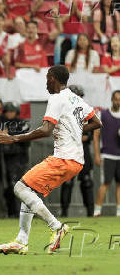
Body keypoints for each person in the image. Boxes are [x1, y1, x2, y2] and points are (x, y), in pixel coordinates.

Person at [0, 65, 102, 255]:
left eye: (47, 78)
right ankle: (21, 241)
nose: (45, 82)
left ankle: (56, 226)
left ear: (53, 78)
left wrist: (14, 138)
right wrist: (75, 129)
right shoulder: (76, 99)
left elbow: (45, 130)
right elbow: (96, 122)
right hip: (75, 160)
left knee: (20, 188)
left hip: (64, 158)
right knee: (29, 192)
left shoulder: (57, 98)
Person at [60, 85, 95, 217]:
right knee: (67, 181)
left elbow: (88, 135)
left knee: (86, 180)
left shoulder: (86, 112)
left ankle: (90, 213)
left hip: (83, 150)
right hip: (68, 151)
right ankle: (64, 212)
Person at [93, 90, 120, 217]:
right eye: (116, 99)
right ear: (111, 99)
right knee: (106, 183)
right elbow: (96, 135)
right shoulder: (103, 114)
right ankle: (97, 211)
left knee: (119, 184)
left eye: (119, 99)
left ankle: (119, 212)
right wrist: (97, 154)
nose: (118, 102)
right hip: (107, 154)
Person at [2, 102, 30, 218]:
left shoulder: (22, 124)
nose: (9, 114)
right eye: (7, 112)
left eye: (11, 111)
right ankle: (12, 212)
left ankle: (24, 212)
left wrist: (9, 136)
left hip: (20, 159)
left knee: (21, 186)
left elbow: (25, 139)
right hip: (6, 159)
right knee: (9, 186)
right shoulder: (2, 124)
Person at [52, 0, 86, 65]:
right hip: (63, 33)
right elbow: (57, 23)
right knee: (58, 46)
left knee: (79, 42)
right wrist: (70, 13)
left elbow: (84, 20)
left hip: (77, 33)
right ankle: (57, 66)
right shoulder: (56, 5)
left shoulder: (78, 2)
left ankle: (77, 63)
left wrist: (76, 10)